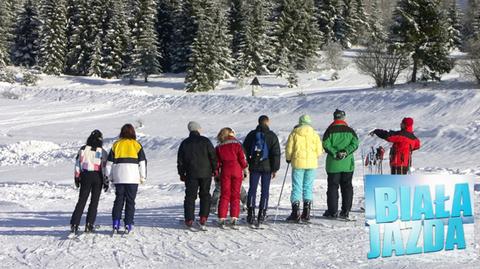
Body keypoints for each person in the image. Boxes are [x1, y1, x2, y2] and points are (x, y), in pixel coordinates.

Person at [106, 124, 147, 234]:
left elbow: (109, 163)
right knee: (130, 201)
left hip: (119, 176)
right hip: (133, 177)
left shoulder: (116, 144)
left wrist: (109, 176)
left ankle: (116, 222)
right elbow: (142, 162)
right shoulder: (136, 144)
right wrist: (143, 177)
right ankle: (128, 223)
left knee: (119, 200)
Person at [177, 121, 217, 229]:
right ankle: (203, 217)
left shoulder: (185, 143)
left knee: (190, 196)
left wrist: (181, 173)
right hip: (206, 173)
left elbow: (180, 160)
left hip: (191, 173)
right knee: (205, 194)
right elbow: (213, 156)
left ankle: (189, 219)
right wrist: (215, 169)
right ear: (198, 129)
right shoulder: (206, 141)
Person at [243, 115, 281, 226]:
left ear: (258, 122)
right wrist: (275, 169)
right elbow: (276, 153)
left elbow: (244, 150)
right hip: (267, 167)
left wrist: (249, 163)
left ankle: (251, 213)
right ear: (267, 122)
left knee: (252, 189)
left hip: (254, 166)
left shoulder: (251, 134)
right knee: (265, 190)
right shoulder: (272, 136)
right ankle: (262, 214)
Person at [285, 115, 323, 223]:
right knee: (308, 187)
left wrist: (288, 158)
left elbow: (289, 147)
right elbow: (319, 151)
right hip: (311, 164)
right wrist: (314, 156)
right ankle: (306, 213)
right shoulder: (314, 134)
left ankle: (295, 212)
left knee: (297, 186)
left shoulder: (294, 133)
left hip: (298, 163)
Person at [322, 109, 359, 219]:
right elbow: (355, 144)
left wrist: (335, 153)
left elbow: (325, 144)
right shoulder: (350, 131)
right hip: (347, 165)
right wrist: (346, 152)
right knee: (347, 187)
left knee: (333, 187)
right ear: (343, 118)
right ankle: (346, 211)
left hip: (333, 164)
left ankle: (332, 211)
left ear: (334, 118)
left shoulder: (329, 130)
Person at [70, 130, 108, 235]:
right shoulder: (102, 151)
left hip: (85, 176)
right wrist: (106, 180)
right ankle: (89, 224)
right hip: (98, 177)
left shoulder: (83, 149)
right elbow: (105, 167)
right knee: (94, 202)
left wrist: (77, 177)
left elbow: (78, 164)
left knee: (82, 200)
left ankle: (74, 224)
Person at [215, 127, 248, 228]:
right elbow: (242, 158)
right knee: (235, 195)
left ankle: (222, 218)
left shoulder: (219, 147)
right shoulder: (237, 144)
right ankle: (234, 217)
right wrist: (245, 168)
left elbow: (217, 163)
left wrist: (217, 173)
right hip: (237, 171)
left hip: (225, 171)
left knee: (225, 194)